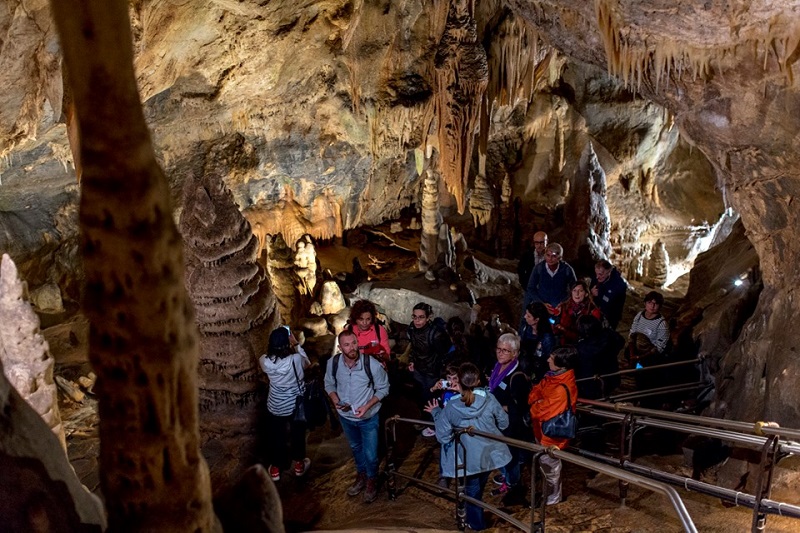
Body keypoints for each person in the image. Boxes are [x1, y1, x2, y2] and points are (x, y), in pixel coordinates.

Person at [425, 363, 512, 531]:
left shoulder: (451, 406)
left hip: (467, 458)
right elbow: (504, 422)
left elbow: (443, 436)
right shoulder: (489, 399)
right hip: (488, 453)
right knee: (478, 487)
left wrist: (436, 413)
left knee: (472, 492)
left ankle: (476, 525)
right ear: (478, 380)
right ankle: (473, 518)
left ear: (459, 383)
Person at [324, 330, 390, 503]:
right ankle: (361, 475)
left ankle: (371, 480)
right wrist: (336, 400)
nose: (352, 348)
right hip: (346, 417)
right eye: (347, 345)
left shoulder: (371, 364)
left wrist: (367, 405)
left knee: (371, 454)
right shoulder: (333, 363)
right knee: (355, 448)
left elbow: (384, 388)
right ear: (340, 347)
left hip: (368, 417)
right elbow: (329, 383)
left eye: (354, 343)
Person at [259, 326, 312, 481]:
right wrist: (296, 345)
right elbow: (307, 363)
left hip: (275, 404)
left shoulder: (264, 360)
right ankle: (299, 466)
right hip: (295, 405)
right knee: (298, 434)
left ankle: (276, 468)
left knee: (277, 436)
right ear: (287, 342)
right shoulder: (294, 360)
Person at [528, 347, 578, 505]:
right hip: (541, 432)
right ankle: (547, 496)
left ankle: (552, 502)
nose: (548, 360)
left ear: (561, 364)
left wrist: (536, 404)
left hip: (552, 438)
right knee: (546, 469)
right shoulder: (552, 378)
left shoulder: (561, 389)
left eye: (552, 358)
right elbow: (533, 395)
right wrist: (537, 402)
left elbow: (541, 411)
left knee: (552, 471)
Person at [487, 333, 530, 498]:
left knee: (509, 455)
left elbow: (522, 404)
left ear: (515, 353)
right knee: (499, 451)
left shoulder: (517, 377)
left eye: (505, 350)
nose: (500, 353)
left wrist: (503, 407)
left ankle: (513, 484)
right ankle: (507, 476)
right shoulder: (497, 367)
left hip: (510, 424)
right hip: (497, 421)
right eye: (499, 349)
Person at [406, 302, 454, 436]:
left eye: (421, 317)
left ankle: (433, 424)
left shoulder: (436, 334)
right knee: (421, 397)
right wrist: (411, 361)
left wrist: (442, 375)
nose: (417, 321)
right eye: (414, 317)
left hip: (433, 373)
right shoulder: (412, 329)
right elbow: (414, 348)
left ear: (428, 317)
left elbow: (445, 355)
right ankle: (425, 420)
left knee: (431, 399)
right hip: (418, 370)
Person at [574, 315, 623, 399]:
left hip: (590, 384)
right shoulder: (610, 336)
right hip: (610, 377)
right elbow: (621, 342)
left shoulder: (581, 348)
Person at [333, 299, 391, 365]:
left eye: (368, 319)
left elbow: (387, 356)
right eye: (361, 319)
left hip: (377, 368)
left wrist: (381, 356)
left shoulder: (379, 330)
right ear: (355, 318)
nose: (365, 323)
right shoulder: (348, 331)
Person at [523, 243, 577, 312]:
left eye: (554, 256)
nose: (550, 259)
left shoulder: (567, 269)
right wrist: (541, 303)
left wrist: (564, 303)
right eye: (548, 255)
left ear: (560, 257)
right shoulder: (539, 268)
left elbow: (575, 289)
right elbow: (531, 288)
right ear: (544, 255)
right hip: (541, 307)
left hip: (560, 308)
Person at [552, 280, 602, 345]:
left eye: (580, 291)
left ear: (586, 294)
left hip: (583, 344)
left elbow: (592, 335)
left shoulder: (592, 311)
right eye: (574, 290)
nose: (577, 294)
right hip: (563, 342)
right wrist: (555, 321)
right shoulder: (563, 307)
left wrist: (565, 330)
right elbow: (552, 322)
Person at [519, 301, 557, 383]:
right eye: (526, 314)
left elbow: (547, 359)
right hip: (525, 366)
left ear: (536, 320)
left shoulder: (547, 338)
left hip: (538, 372)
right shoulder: (526, 328)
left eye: (528, 316)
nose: (525, 317)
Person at [627, 290, 670, 364]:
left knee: (644, 365)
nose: (652, 306)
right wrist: (632, 354)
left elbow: (659, 348)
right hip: (637, 348)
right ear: (645, 303)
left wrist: (639, 357)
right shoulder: (640, 315)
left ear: (660, 306)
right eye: (649, 303)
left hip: (649, 355)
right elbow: (632, 333)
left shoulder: (662, 324)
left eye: (655, 304)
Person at [590, 259, 627, 329]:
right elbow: (590, 292)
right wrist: (591, 293)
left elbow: (614, 304)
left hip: (611, 317)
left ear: (608, 272)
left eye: (600, 274)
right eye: (596, 273)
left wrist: (599, 295)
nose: (597, 277)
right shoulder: (596, 278)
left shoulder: (619, 285)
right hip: (596, 313)